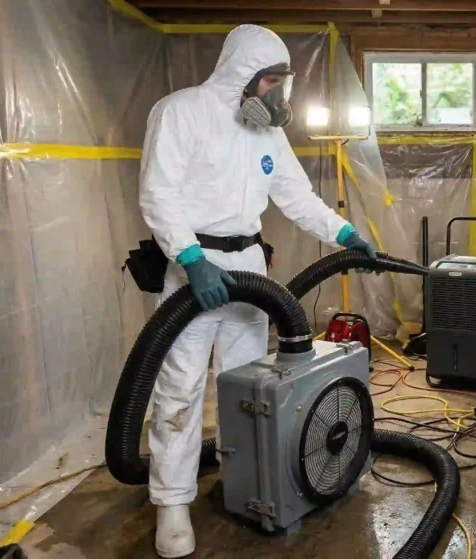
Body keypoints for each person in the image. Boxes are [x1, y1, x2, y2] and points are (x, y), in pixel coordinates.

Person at [138, 25, 376, 558]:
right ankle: (172, 504)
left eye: (282, 83)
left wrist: (343, 234)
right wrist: (191, 259)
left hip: (248, 267)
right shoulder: (180, 112)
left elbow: (297, 195)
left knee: (247, 387)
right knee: (180, 389)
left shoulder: (267, 131)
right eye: (270, 80)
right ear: (239, 76)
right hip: (192, 269)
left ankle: (242, 476)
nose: (277, 93)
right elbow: (158, 194)